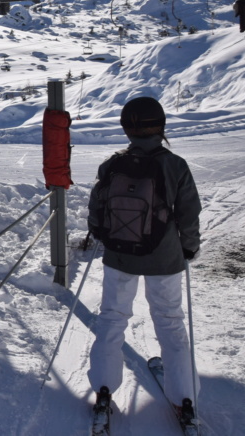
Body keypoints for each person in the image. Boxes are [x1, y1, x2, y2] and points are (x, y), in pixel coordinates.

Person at [86, 96, 201, 414]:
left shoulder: (112, 164)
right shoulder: (175, 165)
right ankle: (185, 396)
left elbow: (96, 209)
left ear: (127, 129)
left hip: (120, 255)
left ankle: (104, 389)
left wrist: (103, 236)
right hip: (164, 258)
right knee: (170, 321)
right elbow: (189, 213)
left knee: (111, 319)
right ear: (161, 126)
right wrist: (188, 246)